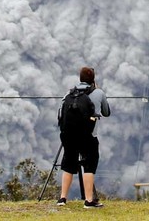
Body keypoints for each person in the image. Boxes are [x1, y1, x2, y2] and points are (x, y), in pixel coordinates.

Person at [57, 66, 110, 208]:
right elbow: (106, 112)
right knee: (89, 166)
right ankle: (88, 200)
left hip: (69, 137)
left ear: (80, 79)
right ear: (93, 79)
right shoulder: (99, 93)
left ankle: (62, 199)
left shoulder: (70, 93)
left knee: (68, 165)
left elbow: (62, 112)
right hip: (88, 136)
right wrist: (97, 91)